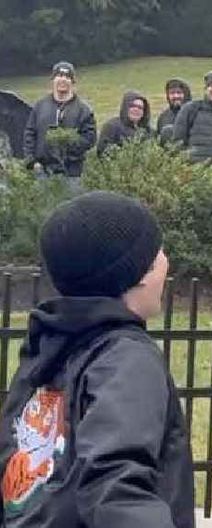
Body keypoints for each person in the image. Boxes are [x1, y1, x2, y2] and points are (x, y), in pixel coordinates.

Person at [0, 191, 195, 528]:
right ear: (141, 272)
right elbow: (116, 481)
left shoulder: (48, 346)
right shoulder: (127, 358)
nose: (167, 261)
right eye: (159, 251)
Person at [22, 61, 96, 180]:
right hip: (43, 172)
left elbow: (89, 139)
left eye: (67, 77)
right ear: (53, 80)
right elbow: (29, 134)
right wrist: (32, 161)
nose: (63, 80)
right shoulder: (40, 106)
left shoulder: (83, 110)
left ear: (72, 81)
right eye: (59, 76)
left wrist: (68, 144)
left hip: (72, 173)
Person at [97, 91, 152, 156]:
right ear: (126, 107)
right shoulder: (111, 126)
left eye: (140, 108)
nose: (136, 109)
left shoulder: (148, 131)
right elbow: (103, 152)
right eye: (132, 106)